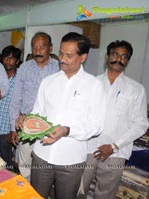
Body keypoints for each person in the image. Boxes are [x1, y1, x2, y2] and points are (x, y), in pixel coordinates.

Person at [29, 32, 106, 199]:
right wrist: (28, 122)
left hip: (71, 161)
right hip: (42, 155)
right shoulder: (48, 82)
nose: (62, 59)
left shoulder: (94, 86)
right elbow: (37, 112)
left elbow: (97, 125)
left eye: (69, 55)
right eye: (61, 53)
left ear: (83, 57)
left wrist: (67, 130)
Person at [77, 40, 149, 199]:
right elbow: (80, 114)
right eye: (115, 54)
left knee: (105, 195)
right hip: (87, 148)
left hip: (116, 152)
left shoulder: (136, 89)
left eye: (124, 56)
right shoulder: (92, 83)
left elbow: (141, 124)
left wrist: (114, 146)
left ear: (127, 61)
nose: (119, 59)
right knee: (78, 190)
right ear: (107, 57)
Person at [9, 32, 59, 181]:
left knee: (46, 163)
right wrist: (13, 127)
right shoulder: (24, 68)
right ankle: (28, 192)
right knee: (24, 163)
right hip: (27, 124)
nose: (37, 51)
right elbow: (16, 98)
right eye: (34, 47)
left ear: (50, 48)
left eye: (42, 47)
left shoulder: (59, 68)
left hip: (51, 125)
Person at [0, 45, 21, 169]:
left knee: (6, 158)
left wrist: (14, 129)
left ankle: (7, 182)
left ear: (17, 61)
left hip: (7, 125)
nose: (8, 61)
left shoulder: (19, 79)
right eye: (6, 58)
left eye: (12, 58)